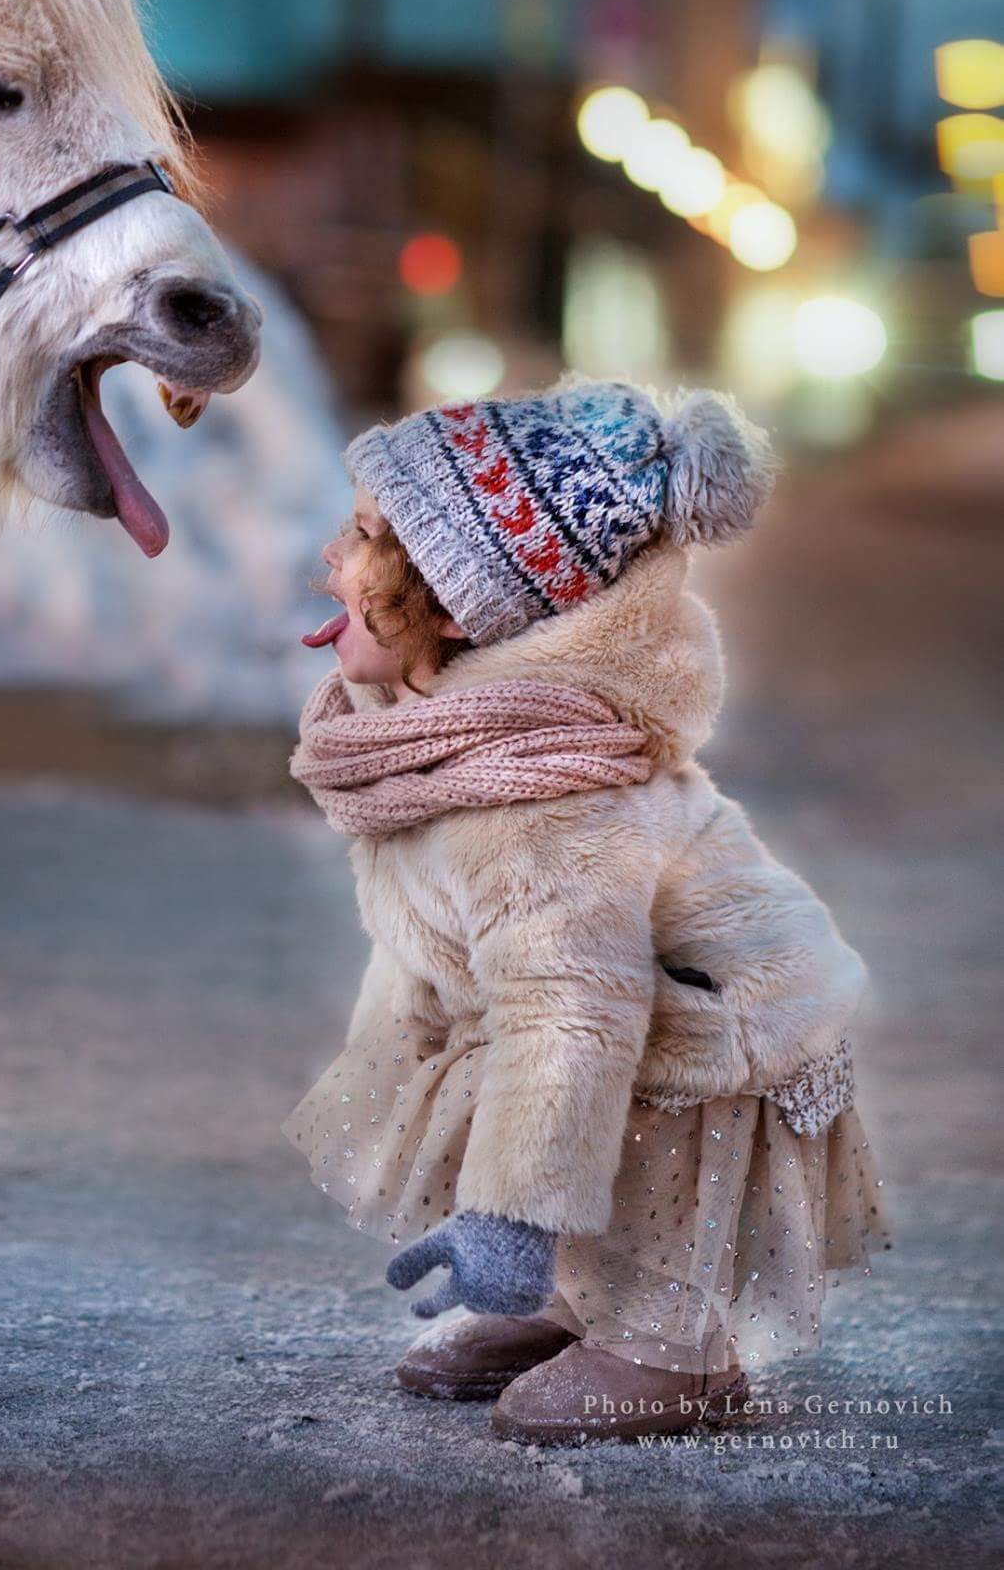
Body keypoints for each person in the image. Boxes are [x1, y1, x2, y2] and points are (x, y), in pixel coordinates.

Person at [285, 379, 889, 1444]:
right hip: (605, 1007)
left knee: (597, 1059)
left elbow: (577, 1011)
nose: (331, 553)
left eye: (367, 535)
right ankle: (578, 1300)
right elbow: (462, 954)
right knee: (504, 1053)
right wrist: (414, 1056)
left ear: (461, 604)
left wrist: (511, 1215)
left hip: (728, 1032)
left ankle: (673, 1343)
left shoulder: (543, 797)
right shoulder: (456, 739)